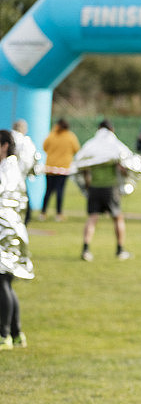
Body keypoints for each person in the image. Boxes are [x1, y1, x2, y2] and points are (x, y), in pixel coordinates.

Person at [76, 120, 131, 261]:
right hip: (110, 188)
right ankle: (120, 250)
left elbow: (83, 166)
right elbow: (124, 168)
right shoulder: (114, 147)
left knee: (92, 218)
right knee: (118, 218)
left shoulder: (92, 146)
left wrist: (88, 184)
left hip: (94, 187)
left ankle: (86, 249)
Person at [0, 129, 34, 350]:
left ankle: (4, 335)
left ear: (4, 145)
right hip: (12, 232)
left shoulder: (7, 168)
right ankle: (17, 333)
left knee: (2, 282)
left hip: (5, 233)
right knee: (7, 283)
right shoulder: (12, 167)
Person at [41, 118, 81, 221]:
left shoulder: (52, 135)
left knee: (48, 191)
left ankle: (43, 213)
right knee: (60, 191)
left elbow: (44, 147)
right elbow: (76, 149)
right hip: (63, 169)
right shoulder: (71, 137)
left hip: (50, 167)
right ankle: (58, 214)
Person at [11, 119, 40, 225]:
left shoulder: (7, 138)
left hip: (7, 178)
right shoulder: (25, 141)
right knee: (25, 208)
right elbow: (29, 161)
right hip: (18, 179)